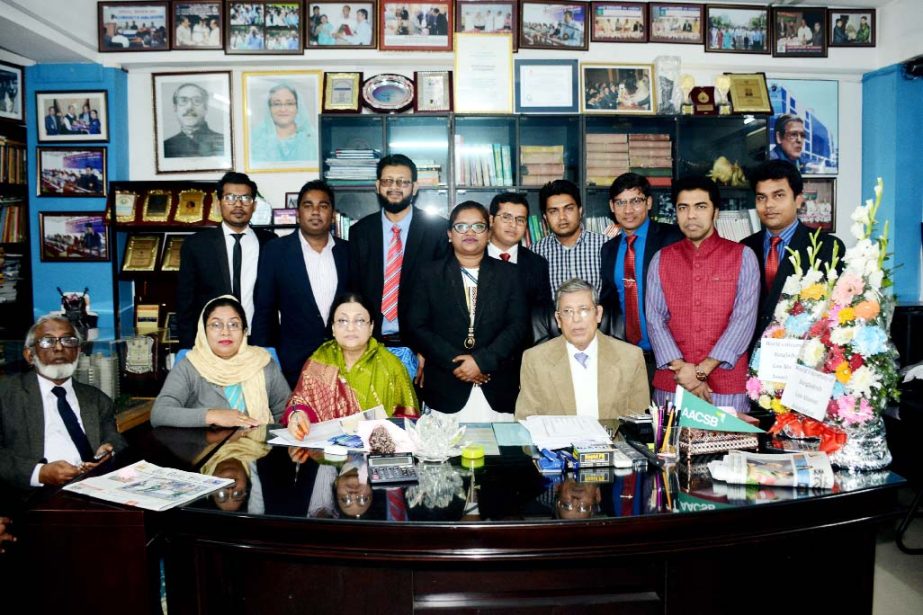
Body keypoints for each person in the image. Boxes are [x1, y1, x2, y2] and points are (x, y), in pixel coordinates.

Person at [646, 176, 759, 413]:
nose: (691, 216)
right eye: (683, 208)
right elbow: (655, 320)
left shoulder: (742, 256)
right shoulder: (661, 259)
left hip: (727, 386)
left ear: (716, 212)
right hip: (672, 384)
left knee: (729, 448)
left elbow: (743, 321)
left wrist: (700, 371)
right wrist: (682, 370)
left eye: (700, 206)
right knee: (669, 449)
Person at [406, 201, 528, 419]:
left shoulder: (510, 274)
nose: (470, 232)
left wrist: (481, 361)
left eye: (478, 226)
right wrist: (459, 363)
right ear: (450, 234)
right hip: (446, 385)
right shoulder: (429, 274)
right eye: (461, 226)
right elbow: (417, 326)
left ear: (489, 233)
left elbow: (518, 326)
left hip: (497, 385)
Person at [0, 316, 125, 491]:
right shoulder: (6, 393)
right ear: (29, 355)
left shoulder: (96, 398)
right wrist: (39, 472)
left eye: (68, 340)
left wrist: (109, 450)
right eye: (47, 341)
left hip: (92, 489)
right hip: (30, 499)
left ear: (78, 351)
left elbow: (114, 438)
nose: (59, 348)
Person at [348, 154, 449, 368]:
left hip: (420, 349)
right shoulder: (360, 232)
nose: (395, 187)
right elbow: (354, 290)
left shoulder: (437, 230)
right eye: (388, 181)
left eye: (403, 182)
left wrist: (429, 350)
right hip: (370, 346)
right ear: (377, 186)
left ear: (415, 187)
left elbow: (442, 297)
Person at [282, 293, 419, 439]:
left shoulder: (391, 365)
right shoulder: (320, 359)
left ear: (371, 326)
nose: (351, 328)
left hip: (376, 454)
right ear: (333, 328)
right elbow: (300, 401)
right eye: (342, 321)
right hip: (325, 454)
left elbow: (409, 421)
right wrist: (297, 415)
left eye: (359, 321)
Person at [252, 180, 348, 387]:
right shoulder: (276, 251)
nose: (315, 212)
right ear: (298, 213)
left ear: (332, 214)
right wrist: (263, 357)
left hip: (344, 361)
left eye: (323, 206)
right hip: (292, 364)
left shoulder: (349, 252)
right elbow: (264, 310)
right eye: (308, 205)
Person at [741, 160, 845, 351]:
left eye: (778, 195)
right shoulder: (745, 248)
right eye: (761, 197)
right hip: (748, 355)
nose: (769, 205)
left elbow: (835, 312)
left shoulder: (826, 247)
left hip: (800, 357)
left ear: (798, 199)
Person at [515, 278, 649, 420]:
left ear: (598, 314)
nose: (576, 319)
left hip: (612, 441)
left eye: (583, 310)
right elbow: (526, 421)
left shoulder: (631, 357)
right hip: (559, 441)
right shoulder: (535, 360)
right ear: (558, 319)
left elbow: (639, 422)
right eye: (567, 311)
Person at [152, 296, 290, 428]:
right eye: (216, 325)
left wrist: (295, 418)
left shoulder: (263, 363)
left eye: (234, 324)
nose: (225, 332)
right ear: (203, 332)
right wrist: (212, 416)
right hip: (205, 449)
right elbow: (160, 413)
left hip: (259, 448)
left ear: (244, 331)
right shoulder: (189, 366)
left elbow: (287, 413)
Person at [176, 172, 276, 349]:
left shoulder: (271, 243)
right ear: (218, 203)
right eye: (230, 198)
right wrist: (188, 348)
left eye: (245, 198)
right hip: (212, 342)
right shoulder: (196, 245)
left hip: (259, 341)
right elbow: (185, 303)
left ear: (254, 205)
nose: (238, 204)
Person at [599, 173, 683, 383]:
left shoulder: (673, 238)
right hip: (626, 358)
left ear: (649, 202)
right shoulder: (608, 249)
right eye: (621, 202)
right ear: (612, 206)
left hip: (671, 357)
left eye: (636, 201)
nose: (628, 210)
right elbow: (610, 302)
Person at [531, 179, 608, 299]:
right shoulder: (535, 252)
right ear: (545, 217)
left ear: (580, 211)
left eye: (568, 208)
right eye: (553, 211)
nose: (562, 217)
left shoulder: (604, 246)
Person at [486, 192, 552, 328]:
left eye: (520, 220)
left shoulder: (537, 264)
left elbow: (542, 316)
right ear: (491, 220)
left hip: (525, 345)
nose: (513, 225)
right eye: (506, 218)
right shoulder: (473, 258)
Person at [250, 83, 315, 163]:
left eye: (289, 103)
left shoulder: (313, 138)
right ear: (269, 108)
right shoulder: (255, 139)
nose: (283, 109)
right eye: (277, 104)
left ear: (298, 107)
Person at [163, 83, 224, 158]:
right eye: (183, 101)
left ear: (206, 108)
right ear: (175, 108)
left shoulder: (224, 142)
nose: (190, 107)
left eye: (197, 101)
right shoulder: (165, 147)